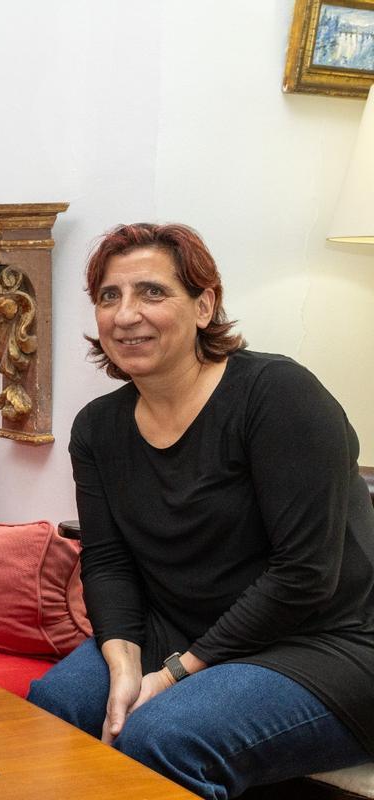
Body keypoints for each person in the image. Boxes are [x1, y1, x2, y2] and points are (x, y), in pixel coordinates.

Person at [27, 223, 374, 798]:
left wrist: (173, 674)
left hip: (326, 641)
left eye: (152, 292)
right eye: (109, 296)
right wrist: (121, 660)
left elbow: (306, 575)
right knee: (54, 707)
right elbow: (108, 561)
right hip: (181, 627)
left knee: (161, 736)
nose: (125, 314)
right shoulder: (98, 427)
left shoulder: (278, 394)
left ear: (205, 304)